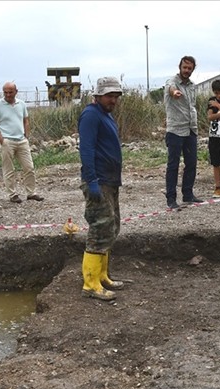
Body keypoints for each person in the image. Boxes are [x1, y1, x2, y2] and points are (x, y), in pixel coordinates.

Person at [77, 77, 127, 301]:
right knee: (99, 228)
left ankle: (102, 276)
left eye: (116, 96)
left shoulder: (106, 115)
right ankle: (90, 283)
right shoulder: (90, 115)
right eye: (109, 96)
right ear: (98, 95)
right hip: (98, 180)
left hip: (110, 180)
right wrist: (92, 180)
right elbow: (86, 150)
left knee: (111, 226)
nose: (113, 100)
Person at [0, 82, 43, 204]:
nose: (8, 95)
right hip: (7, 141)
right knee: (9, 169)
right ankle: (12, 194)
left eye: (10, 92)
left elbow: (26, 120)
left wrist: (26, 136)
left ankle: (31, 193)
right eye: (5, 92)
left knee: (29, 167)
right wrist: (1, 139)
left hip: (21, 141)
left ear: (16, 91)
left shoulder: (21, 104)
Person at [164, 55, 203, 210]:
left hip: (190, 129)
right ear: (179, 67)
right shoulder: (172, 82)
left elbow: (192, 106)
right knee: (173, 165)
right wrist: (174, 93)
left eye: (189, 68)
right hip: (175, 130)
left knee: (191, 163)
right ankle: (171, 199)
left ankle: (188, 194)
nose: (186, 70)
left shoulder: (192, 86)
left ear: (193, 69)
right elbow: (170, 88)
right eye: (184, 67)